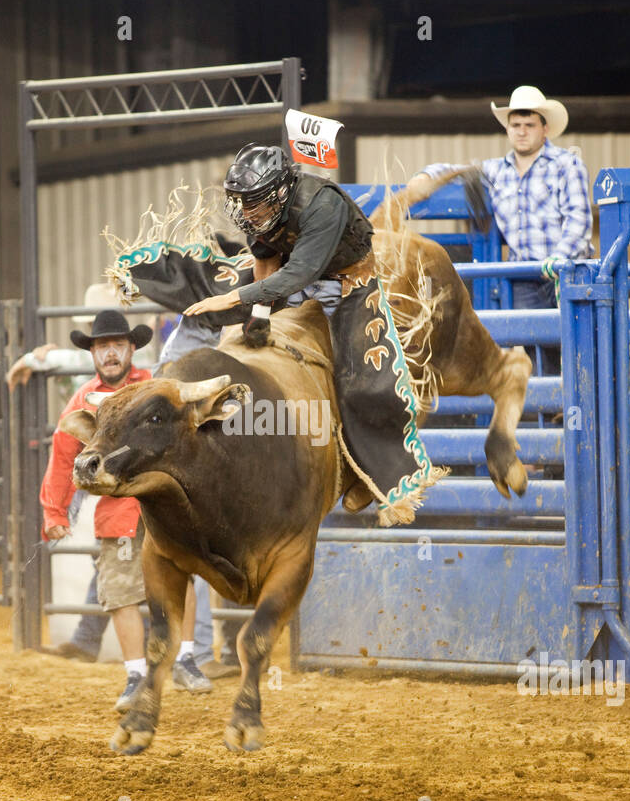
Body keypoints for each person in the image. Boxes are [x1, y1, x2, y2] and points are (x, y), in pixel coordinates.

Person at [184, 143, 443, 525]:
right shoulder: (262, 218)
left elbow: (299, 272)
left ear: (279, 194)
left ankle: (377, 477)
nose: (243, 211)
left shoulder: (323, 205)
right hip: (293, 278)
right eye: (239, 201)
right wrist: (258, 313)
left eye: (251, 201)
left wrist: (235, 298)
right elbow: (266, 257)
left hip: (349, 281)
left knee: (362, 380)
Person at [37, 310, 213, 711]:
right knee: (120, 591)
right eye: (102, 346)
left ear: (132, 348)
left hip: (163, 505)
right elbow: (63, 456)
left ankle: (185, 657)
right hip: (117, 510)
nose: (110, 353)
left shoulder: (157, 386)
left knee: (181, 576)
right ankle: (136, 674)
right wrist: (54, 512)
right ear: (94, 353)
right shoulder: (83, 401)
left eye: (117, 345)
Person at [409, 85, 593, 379]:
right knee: (536, 345)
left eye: (529, 125)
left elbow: (579, 219)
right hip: (524, 275)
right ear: (508, 129)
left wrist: (559, 259)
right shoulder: (496, 171)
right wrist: (425, 176)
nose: (521, 131)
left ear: (544, 129)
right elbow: (455, 169)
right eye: (515, 125)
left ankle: (577, 409)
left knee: (577, 344)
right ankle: (553, 409)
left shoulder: (566, 164)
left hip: (565, 271)